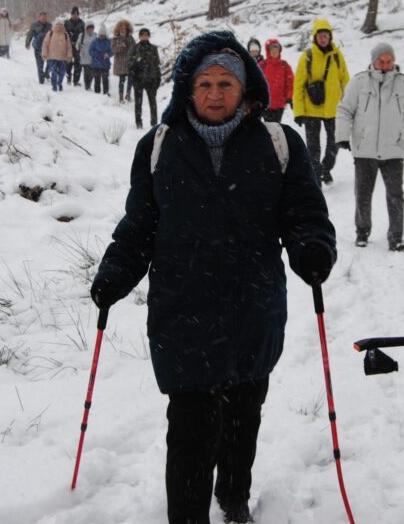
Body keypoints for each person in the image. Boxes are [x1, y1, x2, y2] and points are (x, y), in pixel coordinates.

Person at [90, 31, 336, 524]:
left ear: (245, 89)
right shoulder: (158, 147)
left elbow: (304, 212)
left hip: (254, 307)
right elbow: (141, 223)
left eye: (226, 82)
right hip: (184, 310)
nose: (215, 93)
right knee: (189, 428)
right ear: (187, 89)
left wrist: (312, 248)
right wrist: (116, 272)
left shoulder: (278, 143)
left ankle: (233, 498)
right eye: (204, 83)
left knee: (244, 416)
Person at [336, 42, 404, 252]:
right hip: (364, 149)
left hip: (392, 150)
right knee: (363, 194)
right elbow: (344, 110)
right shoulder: (359, 82)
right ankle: (362, 232)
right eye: (381, 61)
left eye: (389, 61)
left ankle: (396, 236)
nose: (385, 65)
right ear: (373, 61)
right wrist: (342, 136)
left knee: (395, 195)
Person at [292, 18, 350, 184]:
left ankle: (326, 168)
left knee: (334, 144)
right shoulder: (307, 56)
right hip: (311, 110)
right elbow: (299, 85)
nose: (323, 38)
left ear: (330, 37)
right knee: (313, 148)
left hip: (333, 109)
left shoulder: (337, 56)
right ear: (315, 37)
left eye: (325, 35)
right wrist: (299, 111)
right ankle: (316, 177)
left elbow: (345, 81)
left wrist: (351, 105)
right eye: (320, 36)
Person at [128, 27, 162, 129]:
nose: (144, 37)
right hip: (138, 79)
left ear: (149, 36)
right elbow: (129, 63)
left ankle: (154, 122)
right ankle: (138, 122)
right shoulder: (135, 48)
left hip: (150, 79)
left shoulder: (153, 48)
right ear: (139, 36)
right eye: (142, 35)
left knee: (153, 101)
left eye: (146, 35)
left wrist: (157, 78)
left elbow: (157, 64)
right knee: (138, 102)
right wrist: (135, 61)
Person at [259, 38, 294, 123]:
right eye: (272, 48)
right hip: (266, 105)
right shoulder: (262, 65)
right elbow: (256, 82)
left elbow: (290, 83)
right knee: (268, 128)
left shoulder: (285, 65)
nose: (274, 50)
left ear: (279, 50)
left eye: (276, 48)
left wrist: (289, 97)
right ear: (268, 50)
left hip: (279, 105)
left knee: (277, 128)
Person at [40, 22, 73, 92]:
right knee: (54, 72)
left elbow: (69, 46)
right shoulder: (50, 33)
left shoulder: (65, 34)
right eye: (58, 26)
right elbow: (45, 44)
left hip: (62, 58)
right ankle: (54, 85)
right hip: (52, 57)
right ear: (55, 26)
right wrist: (44, 54)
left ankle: (59, 83)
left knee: (62, 72)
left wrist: (69, 55)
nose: (59, 27)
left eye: (61, 26)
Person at [112, 18, 136, 103]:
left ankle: (128, 94)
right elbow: (113, 50)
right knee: (121, 80)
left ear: (127, 29)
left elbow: (133, 48)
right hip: (120, 63)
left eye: (124, 28)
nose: (123, 30)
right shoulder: (115, 38)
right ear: (118, 29)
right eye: (121, 28)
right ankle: (121, 96)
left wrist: (129, 56)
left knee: (130, 79)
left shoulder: (130, 38)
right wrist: (121, 47)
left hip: (129, 62)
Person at [25, 11, 52, 84]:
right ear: (39, 17)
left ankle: (47, 72)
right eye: (42, 17)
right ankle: (41, 78)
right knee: (40, 64)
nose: (44, 19)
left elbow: (53, 35)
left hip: (48, 47)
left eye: (45, 17)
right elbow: (29, 34)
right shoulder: (34, 25)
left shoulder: (49, 25)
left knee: (50, 62)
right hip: (38, 47)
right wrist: (27, 43)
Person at [88, 26, 113, 95]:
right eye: (101, 35)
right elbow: (90, 51)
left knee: (105, 79)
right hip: (96, 64)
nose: (102, 36)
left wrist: (108, 55)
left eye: (103, 35)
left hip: (105, 64)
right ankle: (97, 93)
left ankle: (106, 92)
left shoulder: (109, 42)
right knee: (97, 79)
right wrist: (98, 55)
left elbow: (112, 51)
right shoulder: (95, 41)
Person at [64, 6, 85, 86]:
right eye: (73, 14)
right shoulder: (67, 23)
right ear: (71, 15)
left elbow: (84, 34)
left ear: (78, 14)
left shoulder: (82, 23)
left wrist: (82, 44)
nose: (75, 15)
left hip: (78, 46)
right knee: (68, 62)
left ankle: (76, 81)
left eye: (76, 14)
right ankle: (68, 78)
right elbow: (63, 34)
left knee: (78, 63)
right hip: (69, 45)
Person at [79, 22, 96, 89]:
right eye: (89, 28)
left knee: (92, 73)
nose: (90, 30)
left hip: (93, 57)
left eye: (91, 28)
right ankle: (87, 86)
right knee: (86, 72)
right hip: (84, 56)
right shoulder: (82, 35)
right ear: (86, 28)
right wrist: (79, 46)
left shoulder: (95, 35)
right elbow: (77, 44)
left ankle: (89, 84)